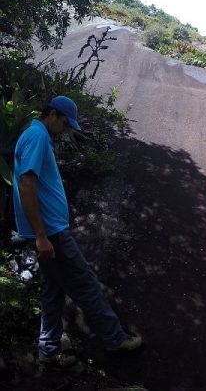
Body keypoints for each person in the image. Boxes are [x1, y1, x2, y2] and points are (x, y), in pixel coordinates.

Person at [12, 96, 142, 368]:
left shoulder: (34, 134)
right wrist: (41, 235)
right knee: (86, 285)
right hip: (52, 235)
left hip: (49, 233)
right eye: (65, 124)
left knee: (53, 292)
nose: (66, 130)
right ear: (53, 115)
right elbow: (26, 183)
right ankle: (114, 338)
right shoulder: (37, 136)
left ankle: (48, 350)